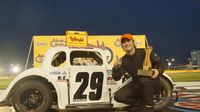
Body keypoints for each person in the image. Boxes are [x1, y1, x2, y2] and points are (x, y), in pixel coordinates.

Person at [112, 33, 165, 112]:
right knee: (118, 96)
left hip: (153, 83)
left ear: (133, 42)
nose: (126, 43)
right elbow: (116, 78)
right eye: (123, 42)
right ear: (122, 46)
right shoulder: (123, 60)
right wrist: (117, 67)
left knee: (144, 81)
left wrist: (158, 70)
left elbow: (161, 63)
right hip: (137, 85)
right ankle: (141, 103)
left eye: (128, 41)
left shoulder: (145, 51)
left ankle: (149, 107)